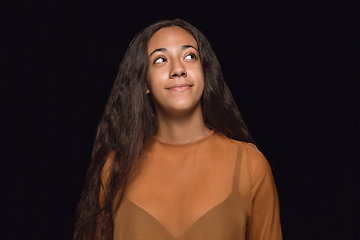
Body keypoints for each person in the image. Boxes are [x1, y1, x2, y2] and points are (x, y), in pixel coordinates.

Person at [74, 19, 282, 240]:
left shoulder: (250, 166)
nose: (178, 69)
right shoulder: (115, 168)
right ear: (144, 82)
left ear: (205, 72)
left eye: (190, 56)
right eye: (160, 59)